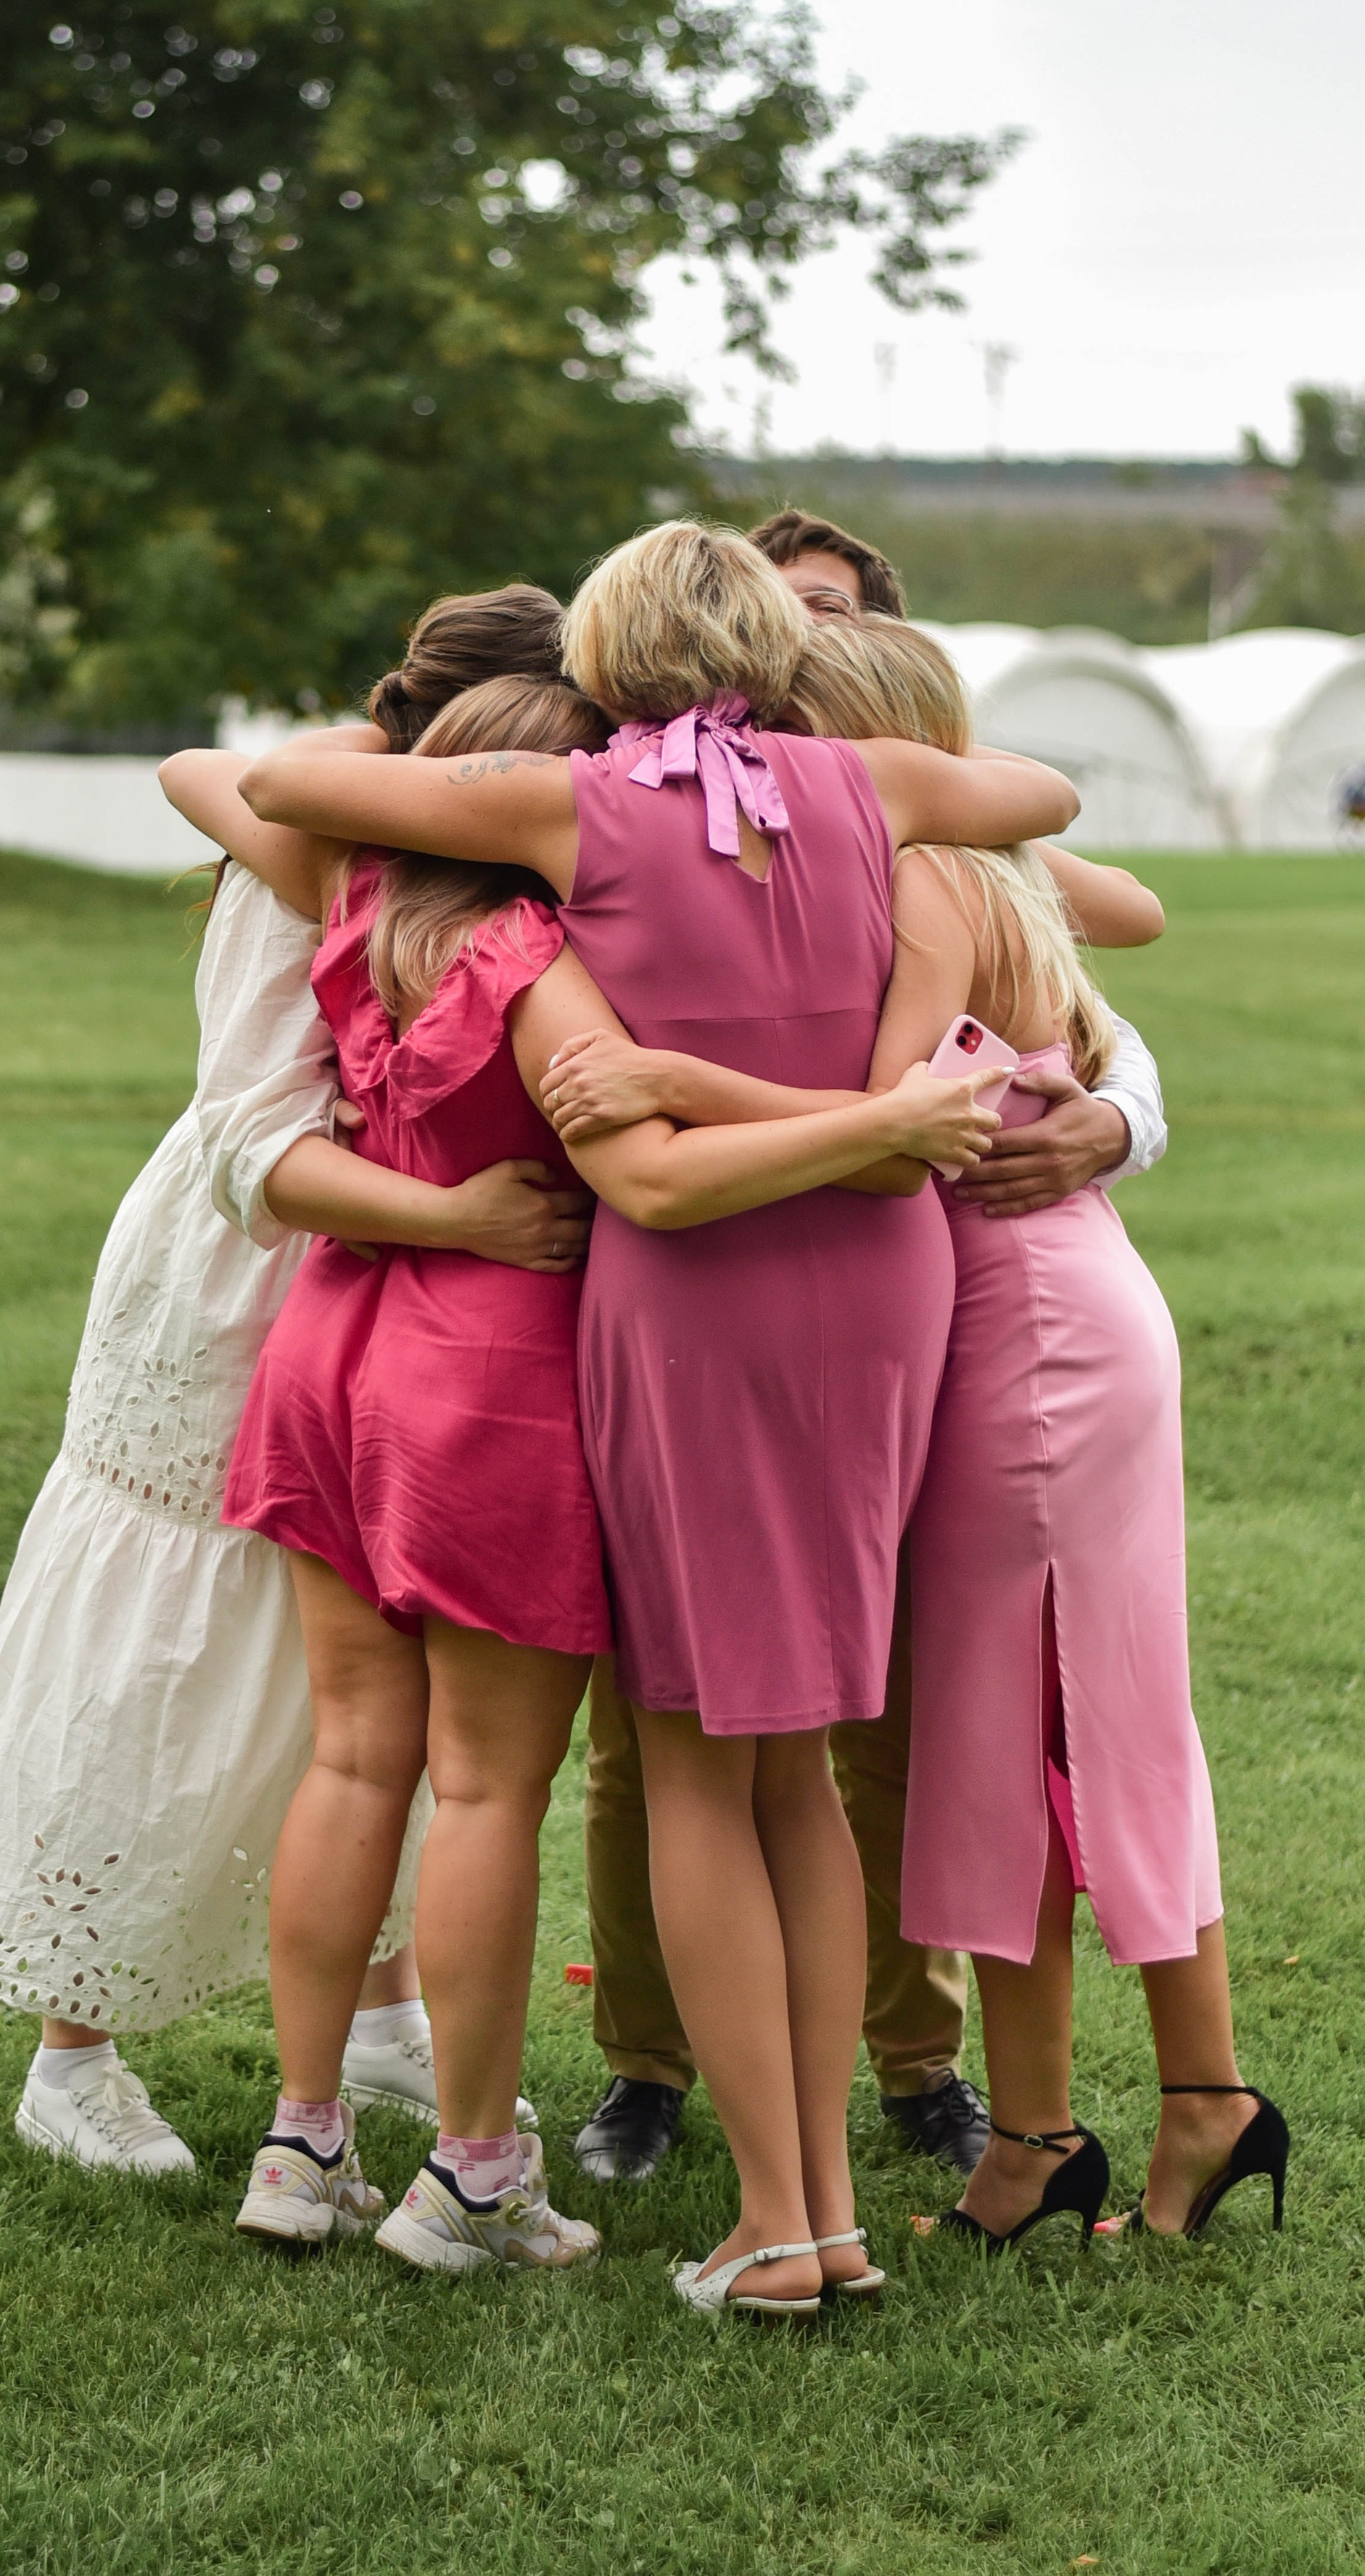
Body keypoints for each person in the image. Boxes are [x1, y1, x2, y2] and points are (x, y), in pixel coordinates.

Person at [238, 519, 1073, 2314]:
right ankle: (825, 2211)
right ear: (773, 648)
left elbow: (279, 782)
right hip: (876, 1285)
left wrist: (450, 750)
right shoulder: (869, 783)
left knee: (699, 1753)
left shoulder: (572, 808)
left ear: (607, 662)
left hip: (694, 1291)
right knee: (805, 1762)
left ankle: (775, 2229)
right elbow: (1050, 792)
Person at [567, 508, 1174, 2186]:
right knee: (657, 1723)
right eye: (774, 631)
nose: (782, 674)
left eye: (824, 629)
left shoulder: (900, 831)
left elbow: (1097, 947)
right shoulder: (656, 815)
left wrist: (1118, 1122)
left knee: (885, 1707)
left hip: (913, 1299)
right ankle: (651, 2066)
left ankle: (912, 2065)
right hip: (705, 1279)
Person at [0, 590, 590, 2176]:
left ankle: (373, 2014)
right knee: (173, 1654)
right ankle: (71, 2050)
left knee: (355, 1688)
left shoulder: (493, 880)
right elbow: (254, 1147)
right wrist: (451, 1215)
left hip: (409, 1313)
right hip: (245, 1285)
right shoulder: (307, 849)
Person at [802, 616, 1286, 2248]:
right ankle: (1052, 2132)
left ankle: (1176, 2105)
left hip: (1028, 1342)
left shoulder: (935, 884)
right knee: (1026, 1726)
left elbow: (889, 1128)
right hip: (1043, 1317)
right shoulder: (985, 874)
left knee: (1063, 1725)